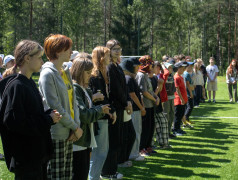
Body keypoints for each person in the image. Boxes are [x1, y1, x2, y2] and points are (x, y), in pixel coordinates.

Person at [0, 40, 62, 180]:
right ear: (27, 58)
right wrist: (47, 119)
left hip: (37, 156)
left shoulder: (29, 83)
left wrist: (48, 115)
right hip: (26, 158)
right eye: (39, 57)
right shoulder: (16, 86)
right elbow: (15, 122)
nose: (42, 61)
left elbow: (32, 115)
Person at [38, 34, 83, 180]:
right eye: (68, 48)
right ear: (57, 51)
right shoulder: (47, 74)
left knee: (67, 175)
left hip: (70, 131)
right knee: (56, 176)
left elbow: (73, 102)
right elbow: (54, 106)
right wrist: (75, 127)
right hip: (57, 133)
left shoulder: (65, 71)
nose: (71, 51)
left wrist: (75, 126)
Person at [70, 54, 111, 180]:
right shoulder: (76, 89)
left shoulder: (84, 89)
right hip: (78, 141)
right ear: (79, 72)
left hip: (85, 139)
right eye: (88, 72)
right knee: (79, 174)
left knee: (83, 173)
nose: (90, 75)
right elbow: (84, 115)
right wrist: (100, 110)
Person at [101, 39, 132, 179]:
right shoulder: (109, 67)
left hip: (121, 106)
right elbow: (115, 89)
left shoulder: (117, 66)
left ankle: (112, 169)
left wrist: (128, 101)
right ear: (108, 51)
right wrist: (126, 102)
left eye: (119, 48)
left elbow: (124, 88)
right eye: (115, 49)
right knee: (113, 141)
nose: (118, 51)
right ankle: (108, 172)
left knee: (118, 140)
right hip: (114, 107)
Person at [89, 46, 116, 180]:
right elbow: (97, 97)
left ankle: (95, 176)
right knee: (100, 151)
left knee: (100, 151)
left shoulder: (102, 73)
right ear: (100, 57)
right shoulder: (95, 75)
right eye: (107, 55)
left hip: (103, 115)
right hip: (98, 116)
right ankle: (93, 177)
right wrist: (109, 111)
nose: (109, 58)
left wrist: (111, 111)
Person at [120, 58, 143, 164]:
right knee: (136, 132)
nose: (137, 68)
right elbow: (133, 95)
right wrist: (141, 107)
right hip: (134, 109)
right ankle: (133, 154)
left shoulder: (129, 78)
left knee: (136, 132)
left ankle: (134, 153)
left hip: (135, 109)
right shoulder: (128, 78)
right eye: (136, 66)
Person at [136, 55, 160, 156]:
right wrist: (154, 99)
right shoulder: (141, 75)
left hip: (151, 104)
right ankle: (142, 148)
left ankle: (148, 146)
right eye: (150, 64)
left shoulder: (146, 75)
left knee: (151, 127)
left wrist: (156, 97)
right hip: (145, 105)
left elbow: (150, 90)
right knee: (145, 128)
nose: (151, 66)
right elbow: (144, 92)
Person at [149, 62, 171, 149]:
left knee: (163, 122)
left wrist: (160, 85)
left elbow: (159, 90)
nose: (157, 69)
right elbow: (153, 94)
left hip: (157, 104)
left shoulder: (155, 77)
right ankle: (152, 144)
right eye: (155, 67)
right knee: (155, 126)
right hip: (152, 104)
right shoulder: (148, 78)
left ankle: (164, 143)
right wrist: (159, 86)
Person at [173, 61, 188, 136]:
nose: (183, 70)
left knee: (181, 114)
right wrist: (181, 99)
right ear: (178, 69)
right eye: (182, 68)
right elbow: (177, 89)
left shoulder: (180, 76)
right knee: (178, 115)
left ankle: (178, 128)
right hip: (178, 100)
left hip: (183, 100)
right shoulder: (176, 77)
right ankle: (175, 129)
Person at [162, 62, 176, 138]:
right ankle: (165, 132)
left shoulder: (171, 75)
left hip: (172, 97)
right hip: (166, 98)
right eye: (169, 67)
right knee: (166, 114)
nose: (171, 69)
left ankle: (169, 131)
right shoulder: (165, 75)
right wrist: (164, 68)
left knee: (171, 114)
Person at [183, 62, 195, 127]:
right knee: (190, 106)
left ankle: (186, 119)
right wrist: (191, 93)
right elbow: (188, 84)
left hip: (187, 92)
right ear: (186, 67)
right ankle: (185, 119)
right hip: (188, 93)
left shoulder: (185, 73)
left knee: (188, 106)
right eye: (189, 66)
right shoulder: (186, 74)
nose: (191, 67)